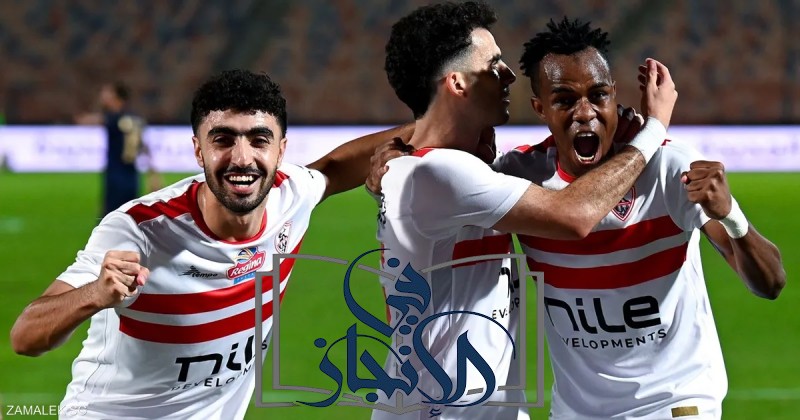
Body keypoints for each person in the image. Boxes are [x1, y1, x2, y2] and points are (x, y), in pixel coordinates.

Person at [10, 69, 412, 419]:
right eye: (223, 140)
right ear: (198, 149)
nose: (242, 158)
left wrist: (441, 128)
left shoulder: (291, 194)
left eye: (259, 140)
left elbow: (336, 167)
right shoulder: (139, 230)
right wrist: (95, 293)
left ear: (281, 150)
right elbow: (25, 337)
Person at [373, 2, 677, 419]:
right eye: (493, 64)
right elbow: (573, 216)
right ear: (457, 83)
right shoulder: (436, 174)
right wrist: (654, 128)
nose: (509, 75)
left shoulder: (447, 167)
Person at [491, 17, 785, 419]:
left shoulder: (670, 168)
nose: (585, 113)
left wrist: (730, 214)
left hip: (675, 402)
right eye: (564, 100)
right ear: (540, 107)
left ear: (615, 96)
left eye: (598, 95)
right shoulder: (521, 177)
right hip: (578, 412)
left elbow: (770, 283)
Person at [75, 82, 161, 216]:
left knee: (109, 217)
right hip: (132, 176)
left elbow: (85, 120)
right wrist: (153, 174)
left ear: (116, 97)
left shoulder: (113, 118)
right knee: (129, 217)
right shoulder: (135, 118)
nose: (103, 96)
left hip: (116, 174)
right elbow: (144, 146)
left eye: (107, 93)